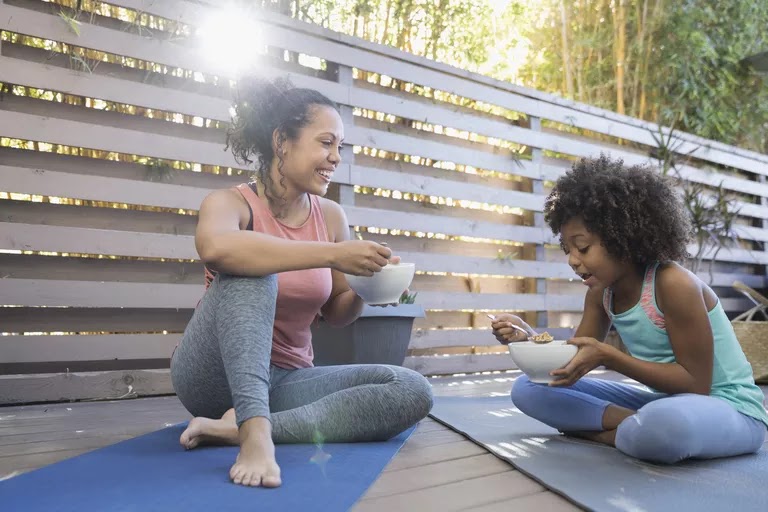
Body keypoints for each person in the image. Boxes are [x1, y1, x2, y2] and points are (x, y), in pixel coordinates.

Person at [170, 76, 433, 487]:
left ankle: (239, 427)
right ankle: (254, 436)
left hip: (287, 380)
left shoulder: (330, 217)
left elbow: (337, 313)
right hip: (213, 375)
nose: (335, 158)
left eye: (339, 147)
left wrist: (369, 284)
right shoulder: (229, 203)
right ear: (282, 142)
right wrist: (332, 254)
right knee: (252, 270)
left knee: (410, 388)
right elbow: (217, 249)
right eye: (326, 143)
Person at [490, 154, 767, 464]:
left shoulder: (672, 284)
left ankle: (607, 431)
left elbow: (696, 385)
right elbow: (569, 364)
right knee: (527, 389)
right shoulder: (600, 293)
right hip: (665, 403)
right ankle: (633, 426)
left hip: (731, 409)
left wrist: (611, 357)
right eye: (568, 250)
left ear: (623, 238)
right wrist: (526, 337)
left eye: (582, 248)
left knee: (665, 428)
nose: (572, 260)